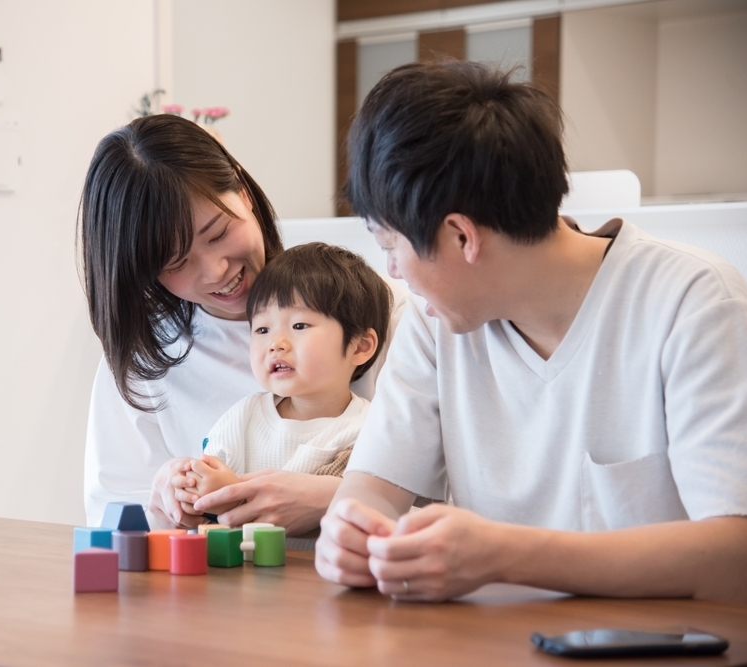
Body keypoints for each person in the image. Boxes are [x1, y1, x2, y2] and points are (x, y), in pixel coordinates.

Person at [316, 61, 747, 602]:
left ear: (460, 236)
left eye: (390, 247)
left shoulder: (694, 300)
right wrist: (351, 534)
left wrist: (506, 555)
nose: (393, 272)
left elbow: (735, 555)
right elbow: (372, 488)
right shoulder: (438, 322)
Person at [79, 114, 406, 534]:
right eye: (177, 263)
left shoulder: (376, 307)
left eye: (218, 234)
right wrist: (162, 502)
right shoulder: (146, 356)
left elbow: (448, 499)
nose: (216, 271)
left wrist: (331, 498)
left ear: (242, 189)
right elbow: (112, 518)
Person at [174, 242, 392, 518]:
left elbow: (368, 503)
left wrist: (234, 493)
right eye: (262, 329)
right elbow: (209, 474)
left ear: (360, 346)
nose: (276, 344)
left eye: (299, 326)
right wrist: (195, 485)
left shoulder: (369, 427)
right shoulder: (246, 415)